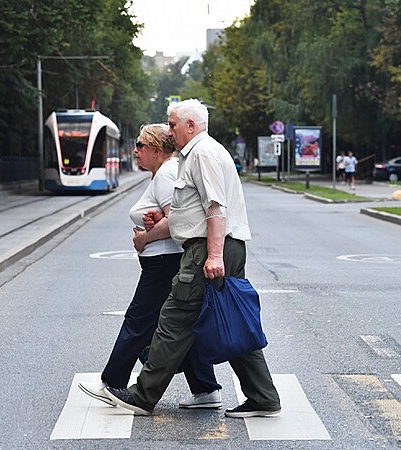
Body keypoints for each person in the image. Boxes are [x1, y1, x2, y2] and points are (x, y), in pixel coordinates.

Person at [104, 99, 282, 418]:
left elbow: (215, 207)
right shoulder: (200, 152)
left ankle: (143, 395)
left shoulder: (201, 153)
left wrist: (213, 255)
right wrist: (170, 217)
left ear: (190, 125)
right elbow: (198, 206)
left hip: (209, 247)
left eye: (173, 124)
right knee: (232, 319)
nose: (169, 130)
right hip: (217, 245)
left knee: (174, 318)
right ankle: (263, 395)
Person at [78, 123, 223, 410]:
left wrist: (144, 238)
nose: (136, 150)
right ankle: (205, 389)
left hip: (163, 263)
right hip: (163, 263)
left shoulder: (167, 173)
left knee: (137, 321)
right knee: (176, 328)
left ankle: (112, 381)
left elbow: (176, 221)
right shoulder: (163, 173)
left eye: (141, 145)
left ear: (157, 150)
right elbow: (170, 216)